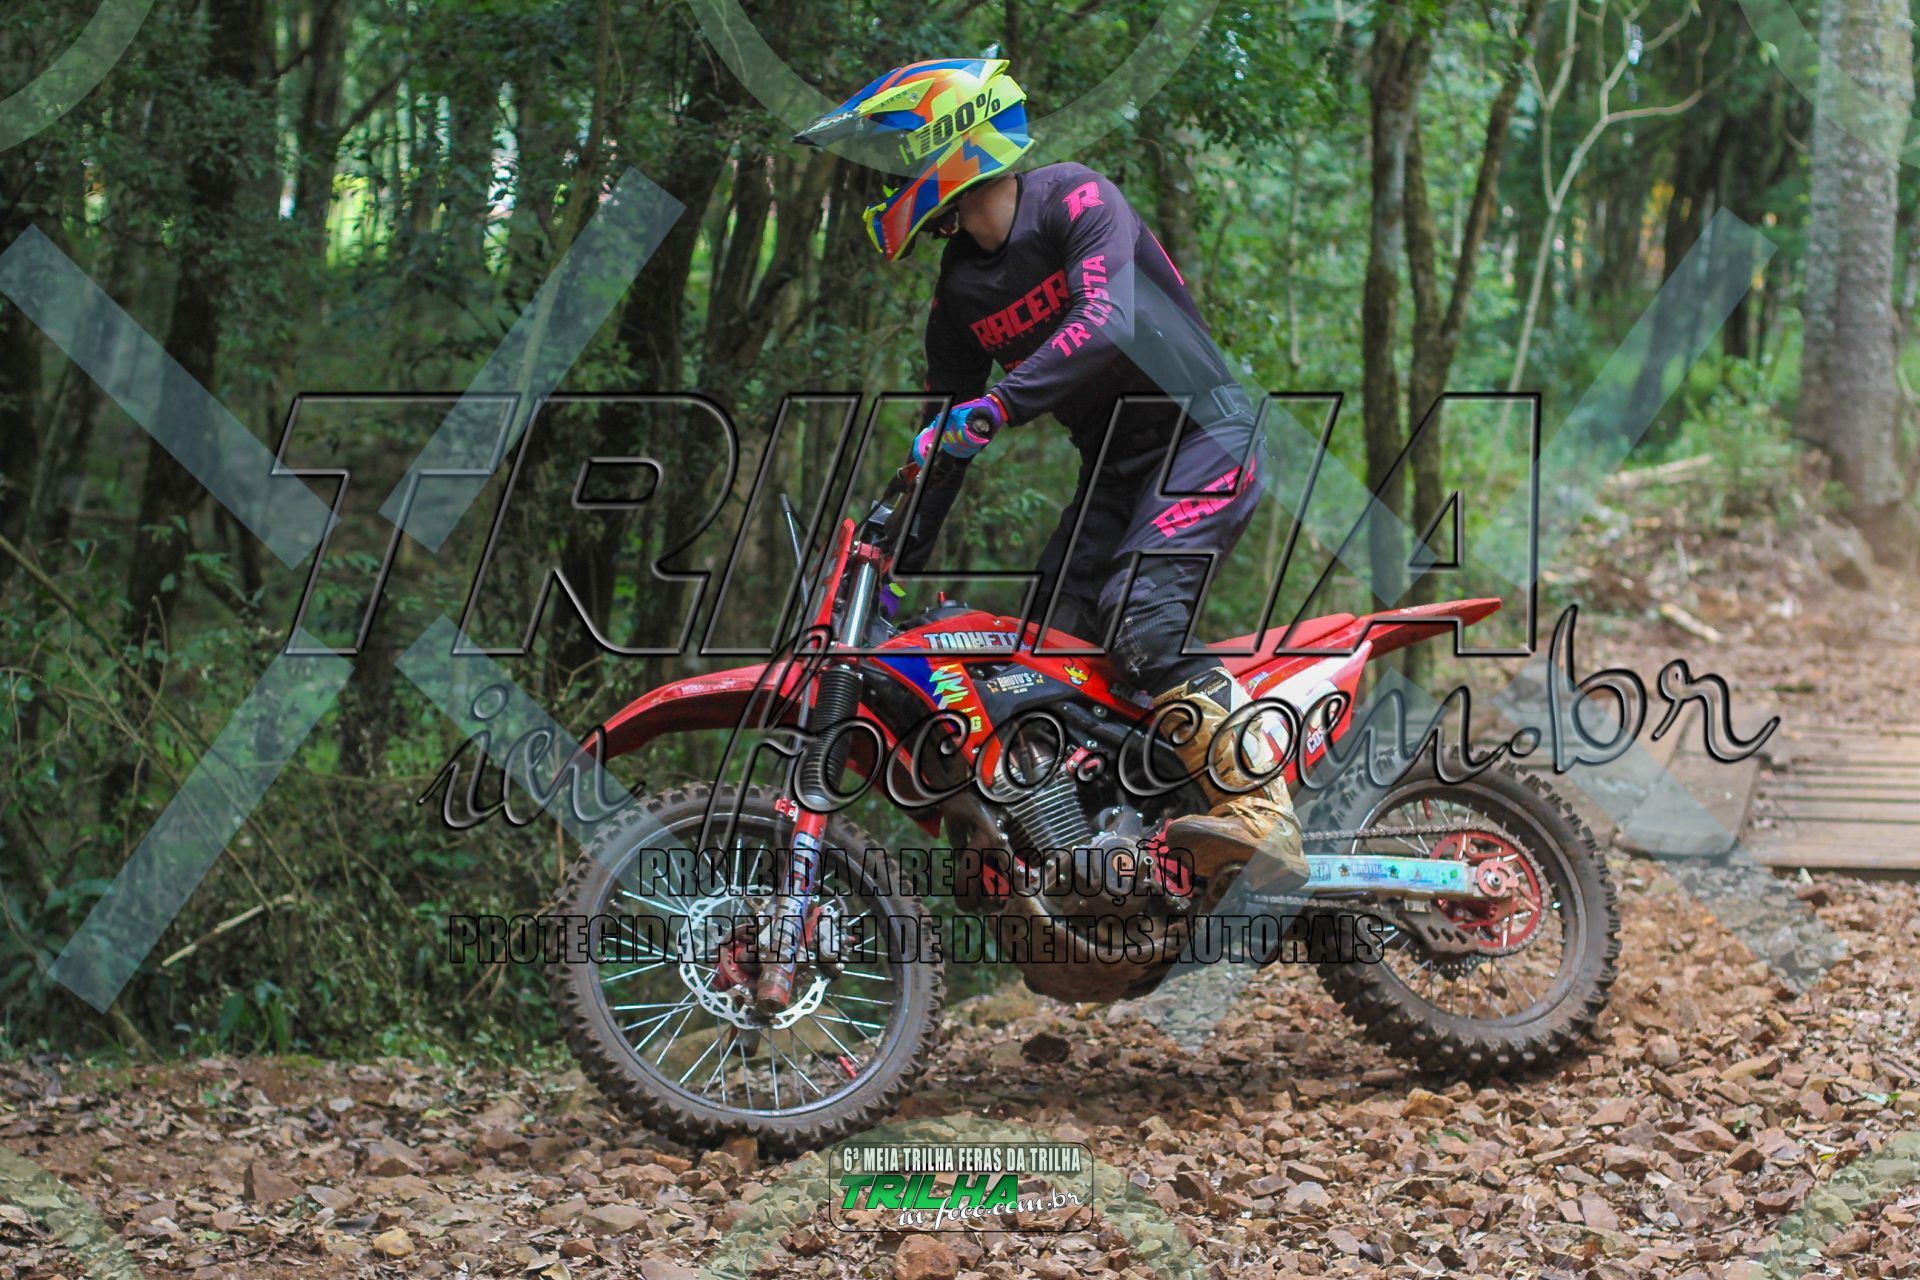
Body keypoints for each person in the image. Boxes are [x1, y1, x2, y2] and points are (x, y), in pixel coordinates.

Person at [795, 58, 1305, 884]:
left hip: (1209, 433)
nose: (884, 182)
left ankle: (1262, 812)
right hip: (1115, 466)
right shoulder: (960, 292)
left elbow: (1107, 318)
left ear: (946, 142)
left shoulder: (1075, 198)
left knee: (1140, 619)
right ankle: (1117, 854)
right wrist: (891, 553)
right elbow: (942, 433)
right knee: (1038, 662)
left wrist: (997, 408)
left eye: (893, 159)